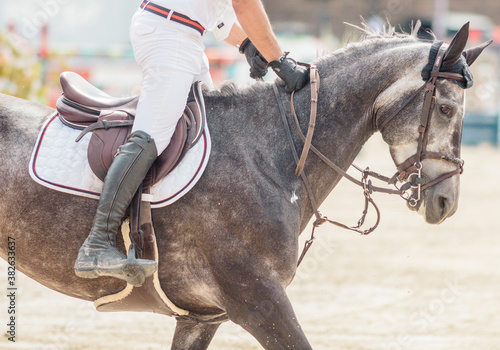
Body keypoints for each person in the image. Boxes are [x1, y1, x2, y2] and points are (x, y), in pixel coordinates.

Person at [74, 0, 310, 285]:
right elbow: (244, 4)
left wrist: (247, 43)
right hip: (170, 33)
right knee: (152, 135)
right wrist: (279, 61)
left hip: (183, 32)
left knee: (211, 134)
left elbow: (217, 15)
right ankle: (98, 241)